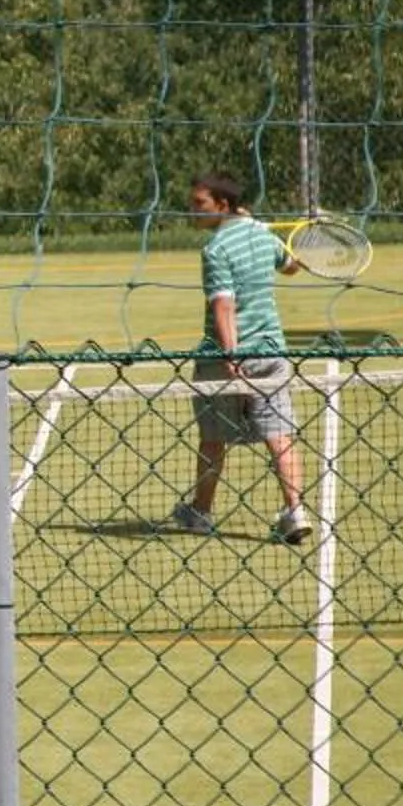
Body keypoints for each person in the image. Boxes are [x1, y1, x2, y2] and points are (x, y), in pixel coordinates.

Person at [168, 170, 315, 545]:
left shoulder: (215, 249)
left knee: (213, 439)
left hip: (225, 357)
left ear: (223, 204)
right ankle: (295, 512)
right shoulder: (262, 235)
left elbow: (223, 305)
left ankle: (200, 512)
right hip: (271, 352)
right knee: (279, 435)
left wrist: (230, 353)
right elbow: (293, 266)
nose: (193, 211)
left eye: (199, 204)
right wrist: (266, 234)